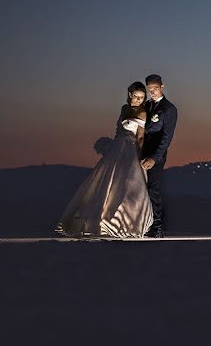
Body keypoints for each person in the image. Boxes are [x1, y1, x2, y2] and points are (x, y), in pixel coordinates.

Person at [56, 82, 154, 238]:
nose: (139, 100)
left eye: (142, 97)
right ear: (129, 95)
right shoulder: (124, 109)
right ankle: (99, 220)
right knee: (107, 183)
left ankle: (127, 223)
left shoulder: (142, 112)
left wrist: (140, 154)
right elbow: (118, 130)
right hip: (117, 148)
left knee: (128, 184)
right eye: (136, 96)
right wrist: (111, 146)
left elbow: (141, 136)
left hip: (130, 149)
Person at [140, 73, 179, 238]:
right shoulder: (147, 105)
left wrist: (154, 158)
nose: (153, 92)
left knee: (153, 189)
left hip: (156, 156)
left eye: (155, 89)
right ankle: (143, 223)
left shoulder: (169, 109)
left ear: (162, 87)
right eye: (150, 89)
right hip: (140, 153)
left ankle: (157, 227)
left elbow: (166, 137)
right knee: (140, 189)